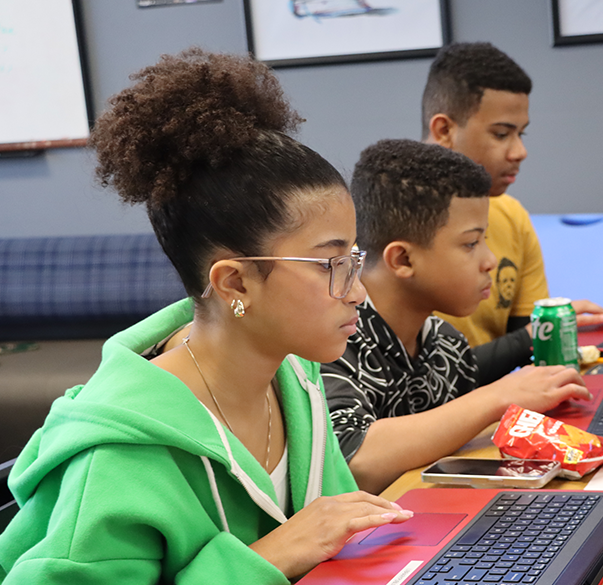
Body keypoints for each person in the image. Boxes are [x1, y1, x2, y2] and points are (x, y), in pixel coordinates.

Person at [0, 49, 412, 584]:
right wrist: (267, 558)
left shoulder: (296, 381)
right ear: (234, 282)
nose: (358, 291)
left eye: (354, 259)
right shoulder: (120, 456)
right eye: (330, 265)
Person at [321, 139, 591, 494]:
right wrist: (496, 397)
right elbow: (354, 461)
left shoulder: (444, 342)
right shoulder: (330, 340)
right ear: (402, 260)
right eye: (470, 244)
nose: (489, 260)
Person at [422, 42, 603, 380]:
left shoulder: (511, 214)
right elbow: (426, 382)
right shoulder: (396, 227)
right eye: (501, 134)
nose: (520, 152)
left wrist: (554, 331)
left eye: (520, 134)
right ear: (444, 131)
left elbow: (528, 342)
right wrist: (539, 333)